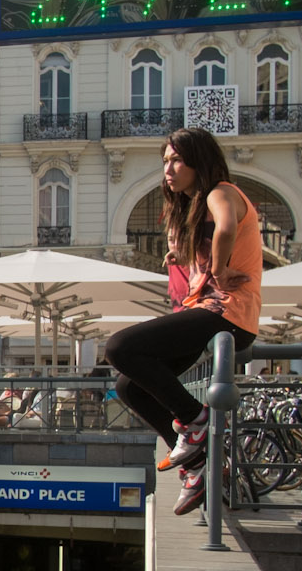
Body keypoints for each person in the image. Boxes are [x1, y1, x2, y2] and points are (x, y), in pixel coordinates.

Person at [105, 127, 262, 516]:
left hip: (227, 312)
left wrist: (221, 269)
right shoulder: (194, 207)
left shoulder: (220, 191)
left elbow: (227, 227)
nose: (168, 169)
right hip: (206, 311)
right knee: (130, 388)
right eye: (165, 162)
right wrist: (181, 256)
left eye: (176, 160)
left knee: (119, 348)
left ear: (198, 161)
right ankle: (197, 466)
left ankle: (196, 420)